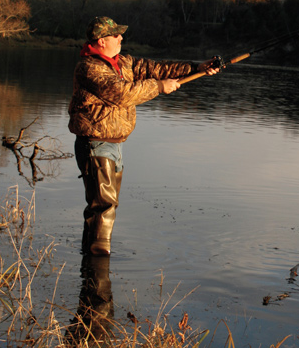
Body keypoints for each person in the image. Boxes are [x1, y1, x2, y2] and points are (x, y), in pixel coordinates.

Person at [69, 16, 219, 256]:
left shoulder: (123, 62)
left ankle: (91, 263)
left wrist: (198, 66)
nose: (121, 38)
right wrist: (159, 87)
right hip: (95, 144)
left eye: (120, 34)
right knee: (104, 207)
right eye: (115, 35)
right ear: (100, 41)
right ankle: (97, 273)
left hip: (114, 144)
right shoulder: (90, 68)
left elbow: (158, 68)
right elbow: (121, 93)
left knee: (103, 207)